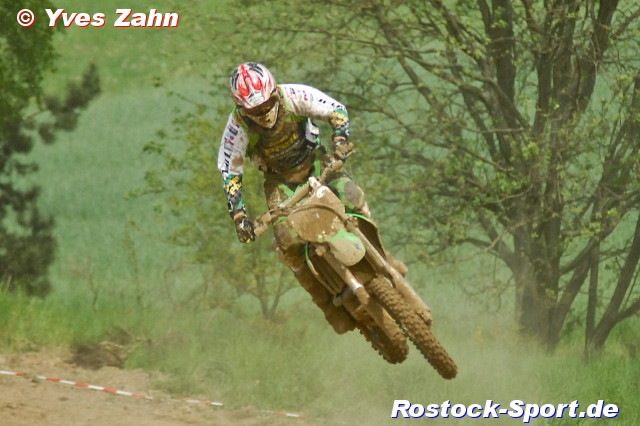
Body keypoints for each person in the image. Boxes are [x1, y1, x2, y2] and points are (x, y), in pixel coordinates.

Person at [217, 62, 373, 334]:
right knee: (288, 241)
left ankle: (379, 254)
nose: (263, 113)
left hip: (317, 162)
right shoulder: (237, 127)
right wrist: (239, 217)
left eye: (266, 104)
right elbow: (230, 172)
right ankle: (325, 303)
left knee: (352, 195)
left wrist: (340, 140)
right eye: (254, 110)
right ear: (241, 108)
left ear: (274, 92)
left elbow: (335, 110)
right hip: (280, 181)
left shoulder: (293, 96)